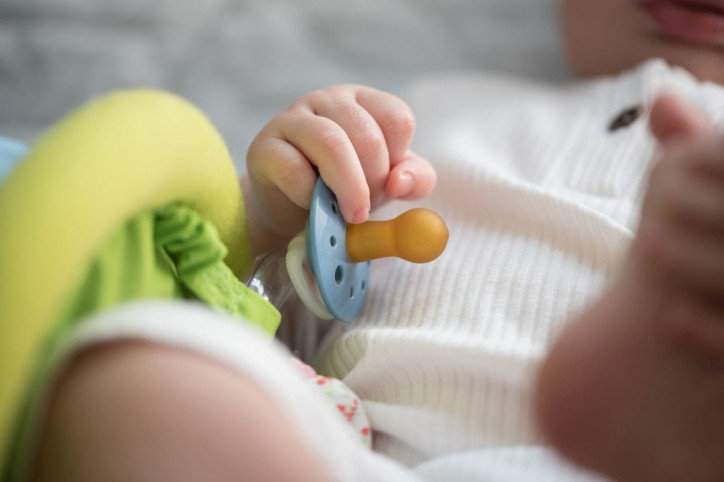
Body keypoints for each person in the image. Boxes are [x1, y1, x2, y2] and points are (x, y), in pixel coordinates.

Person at [22, 0, 724, 481]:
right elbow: (280, 322)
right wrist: (276, 219)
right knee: (143, 371)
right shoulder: (442, 109)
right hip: (353, 458)